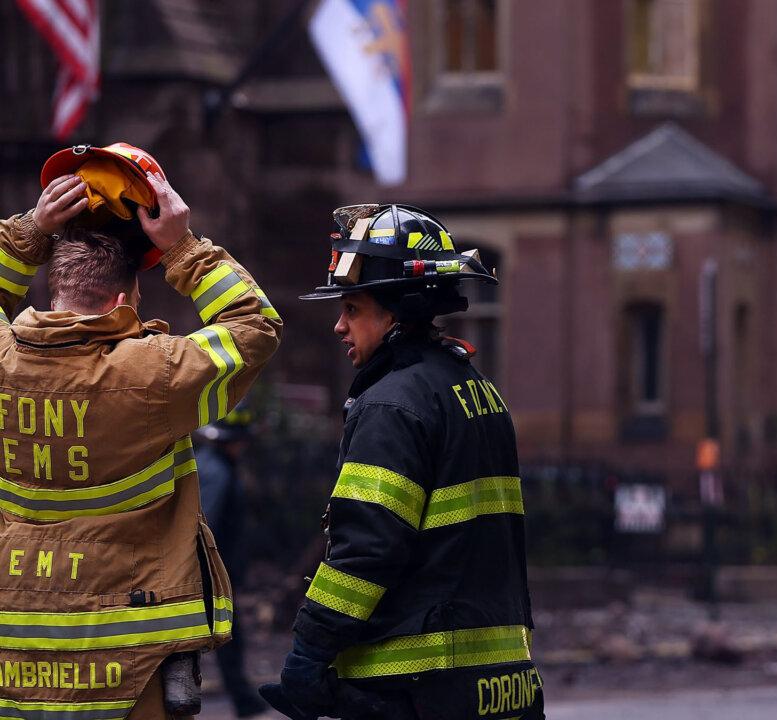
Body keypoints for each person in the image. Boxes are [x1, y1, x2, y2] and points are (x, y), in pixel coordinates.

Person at [0, 144, 282, 719]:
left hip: (14, 655)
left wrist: (29, 231)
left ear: (53, 282)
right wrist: (183, 247)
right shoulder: (153, 374)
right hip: (134, 662)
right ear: (126, 296)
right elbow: (253, 327)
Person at [260, 204, 542, 720]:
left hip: (413, 683)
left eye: (353, 309)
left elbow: (366, 548)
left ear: (395, 312)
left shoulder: (392, 404)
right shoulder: (479, 391)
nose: (339, 326)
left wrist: (309, 653)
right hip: (503, 684)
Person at [194, 401, 269, 718]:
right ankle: (243, 701)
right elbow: (204, 528)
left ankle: (244, 700)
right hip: (214, 576)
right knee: (225, 640)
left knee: (223, 639)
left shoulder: (213, 465)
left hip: (217, 574)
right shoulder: (218, 473)